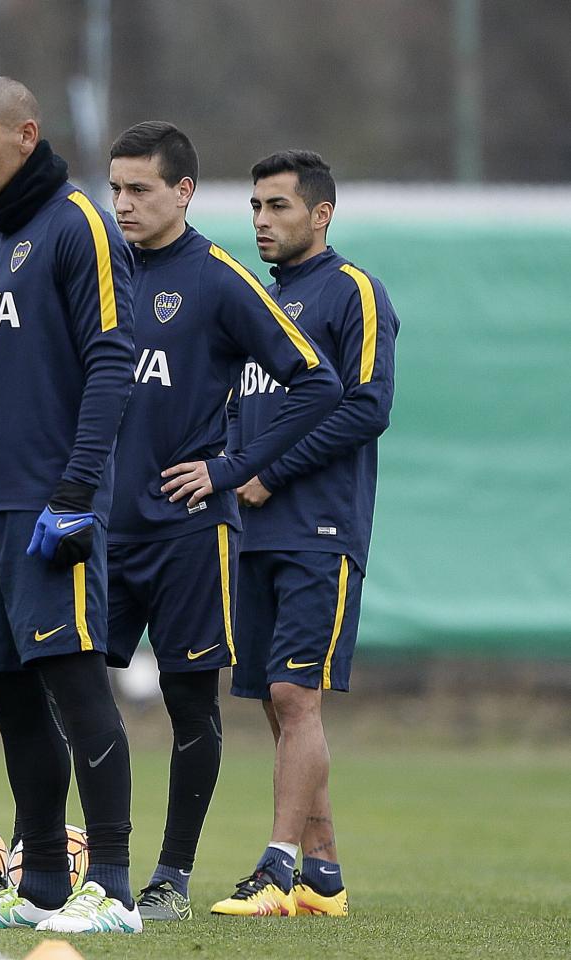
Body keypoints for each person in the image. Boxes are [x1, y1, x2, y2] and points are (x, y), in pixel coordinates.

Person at [104, 121, 341, 920]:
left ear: (183, 192)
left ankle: (169, 874)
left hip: (186, 532)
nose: (124, 203)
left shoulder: (218, 278)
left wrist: (234, 469)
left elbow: (318, 383)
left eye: (139, 189)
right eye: (115, 188)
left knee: (187, 703)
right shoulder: (96, 271)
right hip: (100, 526)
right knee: (66, 690)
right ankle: (92, 862)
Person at [0, 76, 140, 934]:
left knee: (76, 685)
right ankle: (46, 882)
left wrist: (77, 491)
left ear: (26, 133)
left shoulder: (78, 224)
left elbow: (112, 357)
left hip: (50, 505)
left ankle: (117, 888)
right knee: (10, 697)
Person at [212, 150, 399, 919]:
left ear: (320, 214)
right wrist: (227, 474)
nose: (262, 221)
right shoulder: (260, 301)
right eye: (256, 206)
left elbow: (366, 406)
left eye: (279, 207)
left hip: (319, 526)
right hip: (254, 527)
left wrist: (271, 470)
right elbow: (239, 406)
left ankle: (277, 870)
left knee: (296, 693)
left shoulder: (352, 290)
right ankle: (323, 872)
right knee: (270, 698)